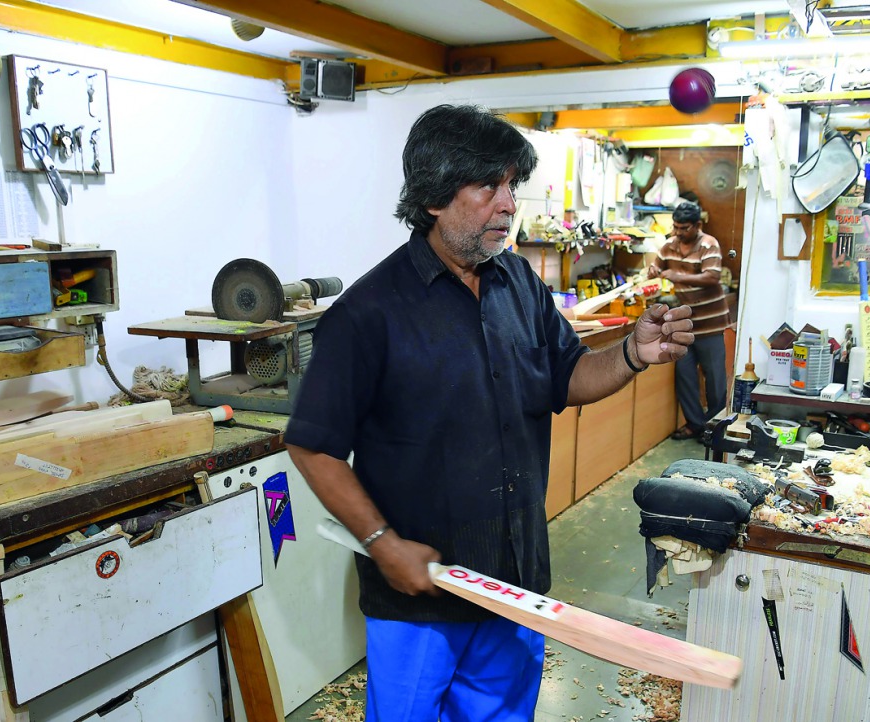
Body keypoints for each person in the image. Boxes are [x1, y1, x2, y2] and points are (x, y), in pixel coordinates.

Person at [283, 104, 694, 722]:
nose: (508, 205)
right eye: (487, 187)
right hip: (420, 599)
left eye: (511, 186)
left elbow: (567, 375)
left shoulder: (518, 283)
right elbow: (313, 444)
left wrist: (633, 354)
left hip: (513, 580)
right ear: (433, 198)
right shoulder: (367, 314)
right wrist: (381, 543)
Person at [647, 201, 730, 441]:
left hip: (711, 324)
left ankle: (715, 429)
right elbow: (656, 264)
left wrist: (677, 275)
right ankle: (695, 425)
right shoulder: (669, 245)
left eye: (684, 228)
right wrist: (653, 270)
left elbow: (712, 277)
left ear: (697, 225)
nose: (678, 232)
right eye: (675, 227)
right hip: (684, 324)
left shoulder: (708, 244)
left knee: (714, 381)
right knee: (684, 376)